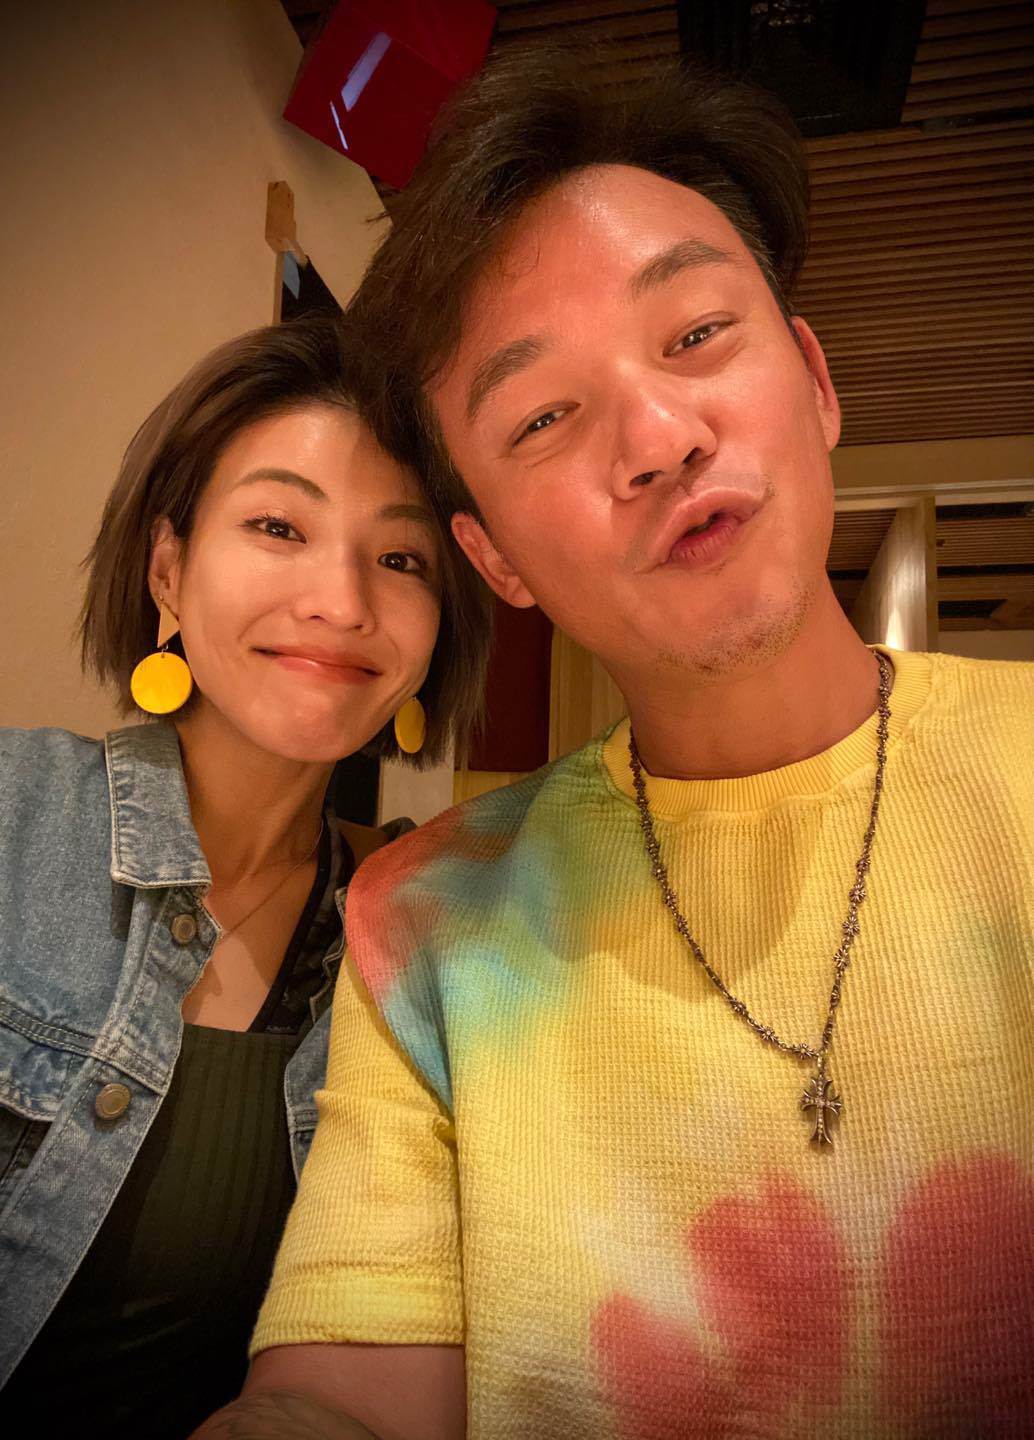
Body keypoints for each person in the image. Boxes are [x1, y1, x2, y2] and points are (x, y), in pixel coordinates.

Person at [198, 51, 1034, 1440]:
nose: (655, 438)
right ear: (494, 560)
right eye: (542, 417)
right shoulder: (430, 918)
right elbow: (341, 1400)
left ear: (813, 381)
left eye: (695, 334)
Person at [0, 317, 491, 1438]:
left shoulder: (421, 941)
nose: (342, 603)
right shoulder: (13, 815)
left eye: (401, 559)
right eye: (278, 526)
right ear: (168, 571)